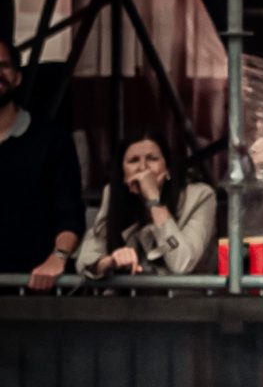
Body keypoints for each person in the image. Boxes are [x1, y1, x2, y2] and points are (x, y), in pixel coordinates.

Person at [0, 33, 86, 291]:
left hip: (34, 294)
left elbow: (70, 216)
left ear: (17, 77)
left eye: (2, 66)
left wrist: (57, 258)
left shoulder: (51, 139)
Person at [76, 133, 218, 279]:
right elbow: (85, 260)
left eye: (152, 159)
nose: (143, 167)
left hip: (182, 299)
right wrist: (110, 261)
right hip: (128, 299)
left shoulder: (199, 196)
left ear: (167, 168)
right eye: (133, 161)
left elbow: (182, 264)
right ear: (123, 174)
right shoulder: (112, 194)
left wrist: (153, 201)